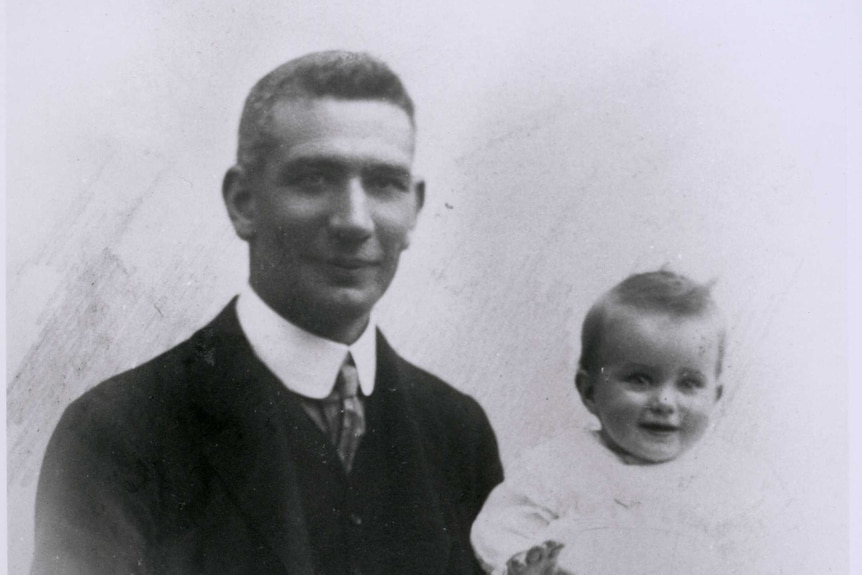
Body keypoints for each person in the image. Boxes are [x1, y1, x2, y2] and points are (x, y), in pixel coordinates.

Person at [32, 50, 503, 575]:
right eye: (314, 179)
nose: (354, 220)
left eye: (383, 183)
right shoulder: (118, 432)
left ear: (414, 207)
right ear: (243, 202)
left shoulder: (458, 431)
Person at [471, 270, 792, 575]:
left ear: (715, 395)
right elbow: (503, 527)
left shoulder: (731, 482)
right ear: (589, 391)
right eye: (640, 379)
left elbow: (764, 555)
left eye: (689, 383)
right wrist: (522, 562)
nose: (665, 402)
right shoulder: (560, 466)